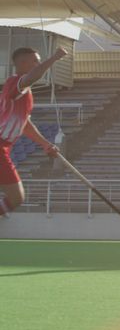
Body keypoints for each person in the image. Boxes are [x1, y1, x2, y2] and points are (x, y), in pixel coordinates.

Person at [0, 47, 67, 217]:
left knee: (16, 198)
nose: (38, 64)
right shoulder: (16, 83)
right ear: (22, 64)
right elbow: (33, 76)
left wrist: (45, 144)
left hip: (4, 147)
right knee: (16, 198)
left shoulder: (24, 93)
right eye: (35, 61)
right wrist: (54, 58)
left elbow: (25, 124)